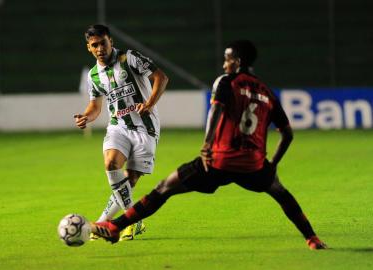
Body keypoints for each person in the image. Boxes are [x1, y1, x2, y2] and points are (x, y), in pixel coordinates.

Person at [91, 40, 327, 250]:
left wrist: (207, 145)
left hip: (218, 160)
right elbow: (287, 134)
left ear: (238, 61)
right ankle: (312, 238)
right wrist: (272, 164)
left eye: (228, 59)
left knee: (165, 188)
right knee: (282, 194)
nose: (224, 65)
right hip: (253, 164)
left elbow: (216, 110)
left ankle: (116, 226)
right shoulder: (267, 92)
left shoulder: (226, 82)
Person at [74, 24, 168, 241]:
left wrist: (150, 103)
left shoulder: (129, 58)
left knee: (130, 180)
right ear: (89, 47)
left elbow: (161, 78)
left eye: (103, 43)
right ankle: (132, 222)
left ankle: (101, 223)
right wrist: (85, 117)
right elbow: (95, 107)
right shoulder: (93, 75)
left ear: (111, 42)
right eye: (94, 45)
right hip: (119, 126)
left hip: (146, 127)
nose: (100, 48)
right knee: (111, 164)